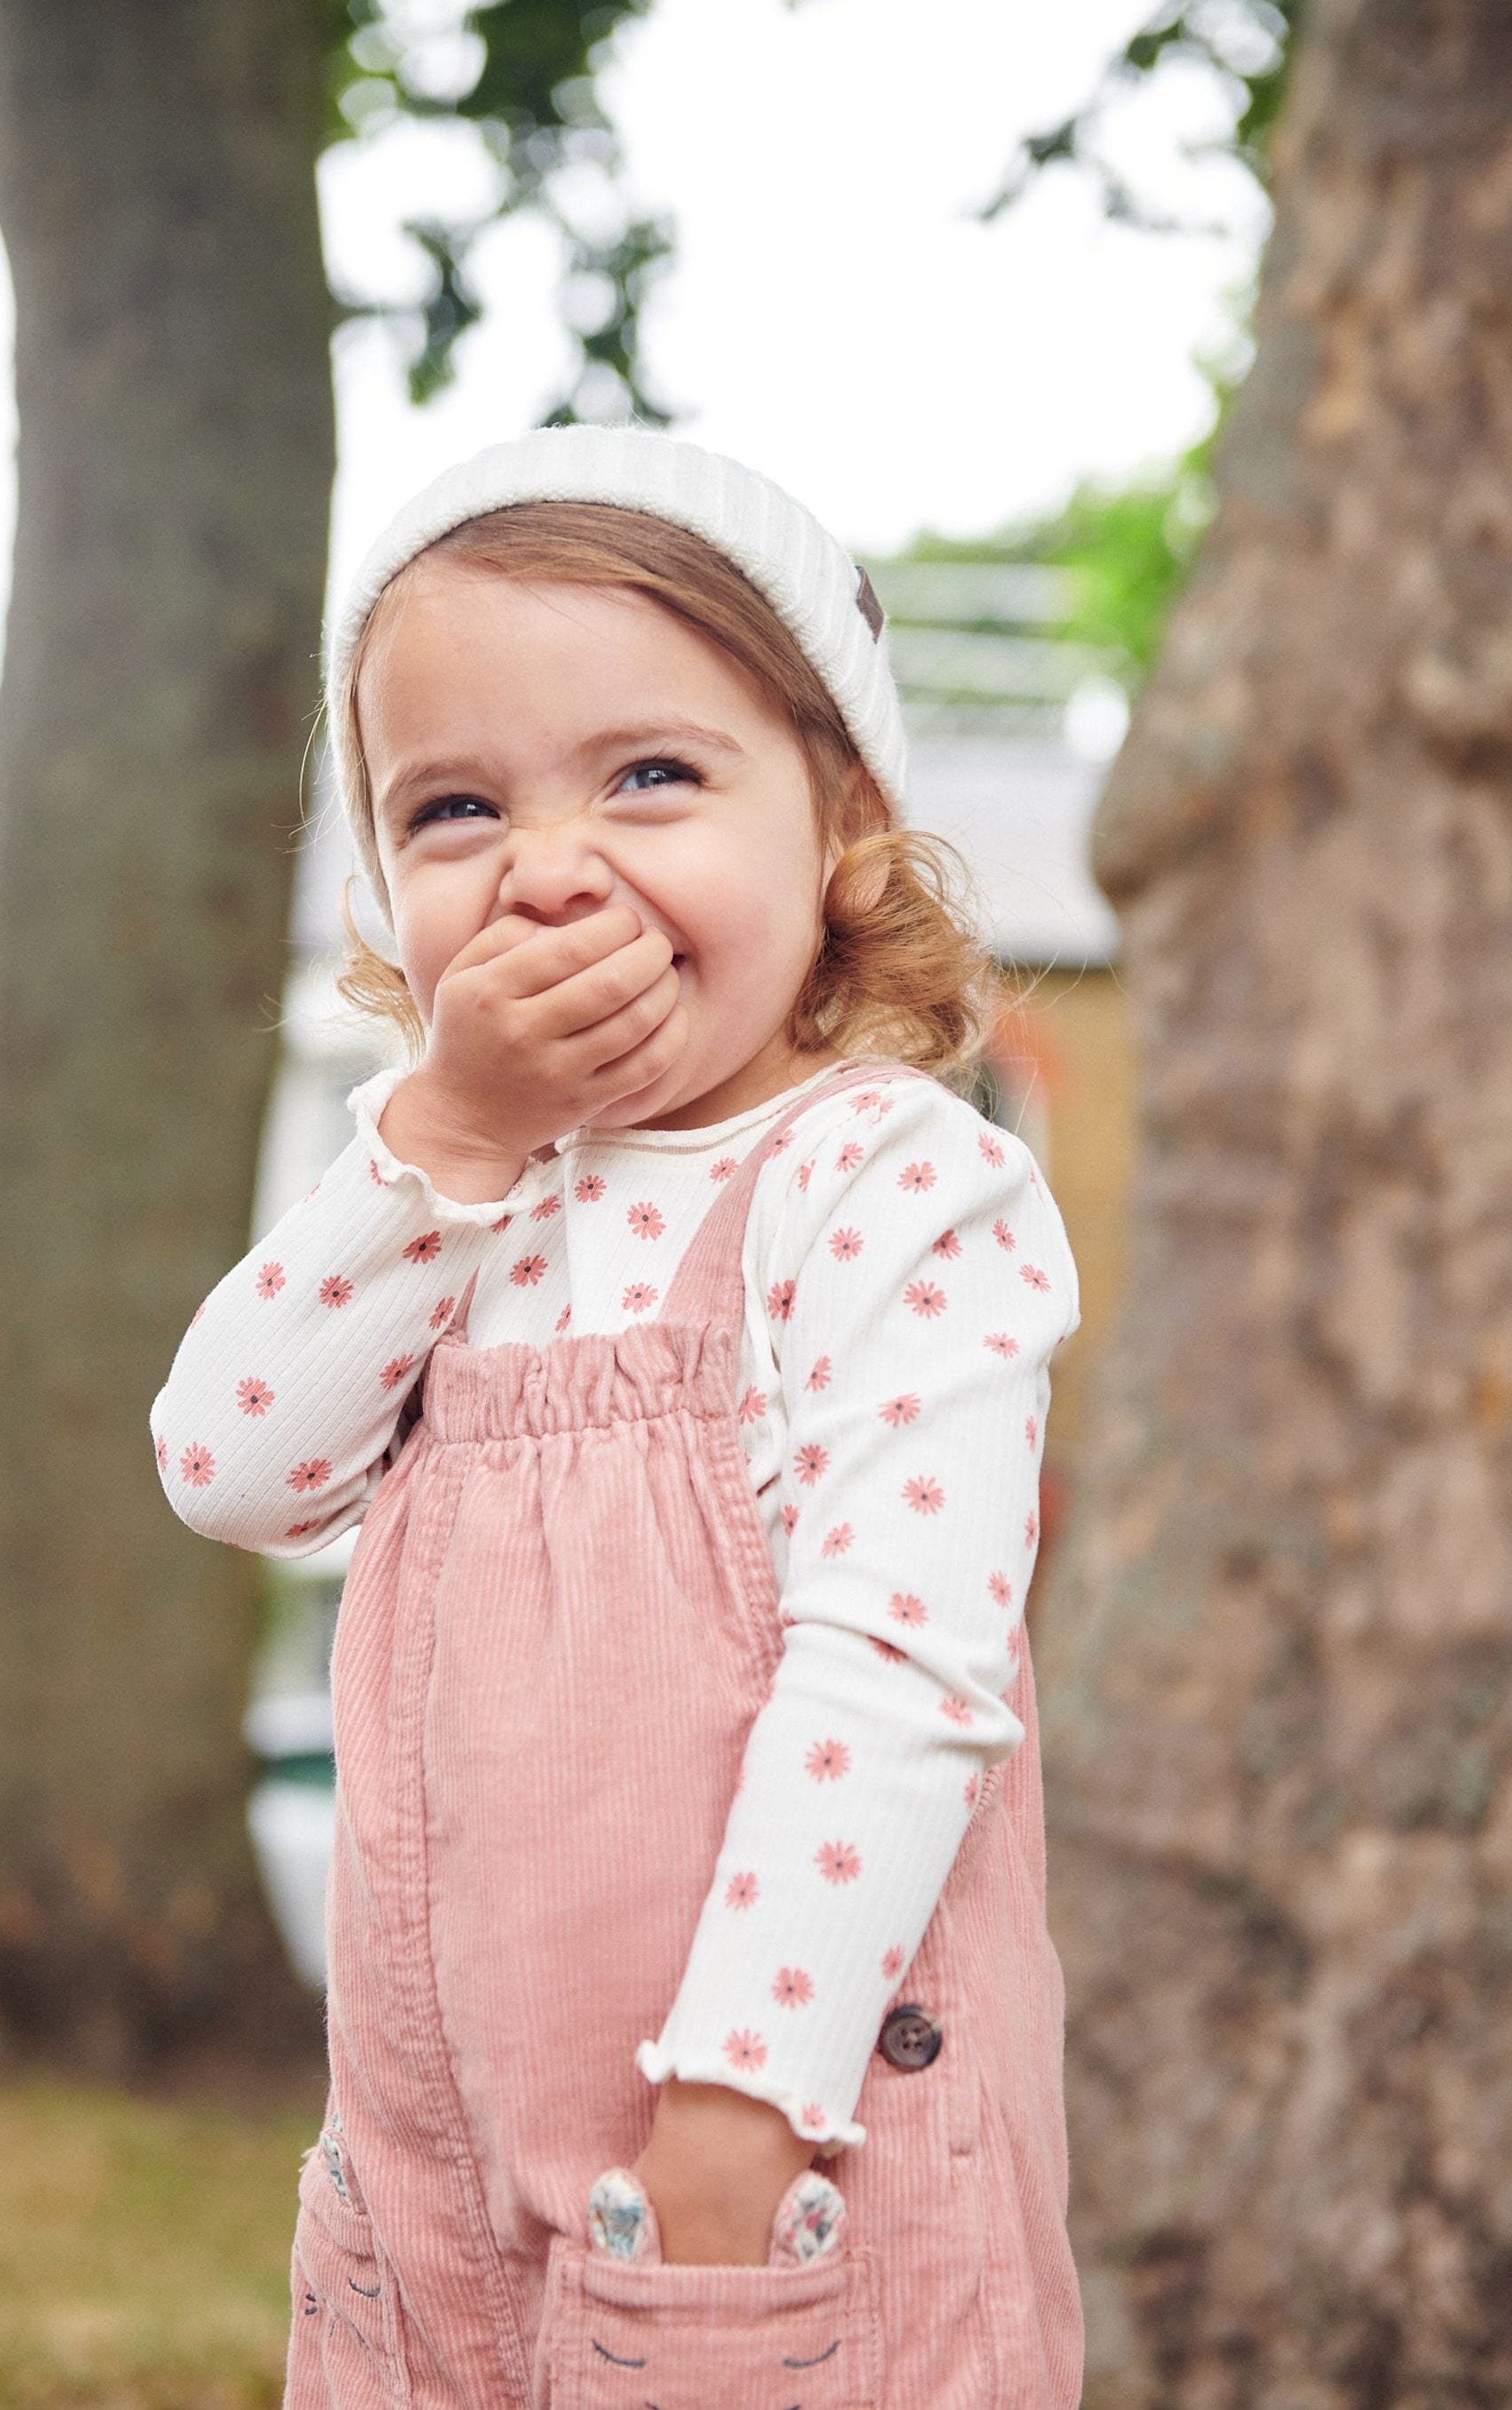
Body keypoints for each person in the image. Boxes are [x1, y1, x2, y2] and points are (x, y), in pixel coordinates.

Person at [152, 425, 1085, 2409]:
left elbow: (900, 1667)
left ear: (838, 819)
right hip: (432, 2184)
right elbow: (232, 1464)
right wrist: (454, 1129)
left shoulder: (893, 1184)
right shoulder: (454, 1197)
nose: (552, 865)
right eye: (455, 809)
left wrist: (737, 2124)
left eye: (651, 775)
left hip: (769, 2155)